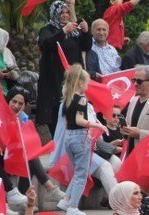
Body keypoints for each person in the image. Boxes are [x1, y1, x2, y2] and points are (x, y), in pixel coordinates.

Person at [59, 65, 110, 215]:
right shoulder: (81, 99)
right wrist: (98, 125)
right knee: (82, 173)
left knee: (78, 171)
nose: (88, 86)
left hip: (69, 137)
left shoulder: (67, 98)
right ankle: (73, 206)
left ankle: (66, 199)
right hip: (80, 137)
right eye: (87, 83)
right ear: (80, 82)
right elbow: (79, 119)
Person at [36, 0, 92, 135]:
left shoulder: (74, 31)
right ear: (55, 13)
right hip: (55, 77)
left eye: (67, 12)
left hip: (73, 77)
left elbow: (85, 46)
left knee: (74, 104)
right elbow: (46, 44)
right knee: (57, 109)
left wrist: (85, 32)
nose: (65, 15)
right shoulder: (47, 29)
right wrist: (62, 31)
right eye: (62, 13)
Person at [5, 87, 66, 200]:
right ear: (8, 101)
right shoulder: (2, 118)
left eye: (20, 103)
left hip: (21, 155)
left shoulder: (25, 121)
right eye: (14, 101)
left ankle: (25, 197)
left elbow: (30, 142)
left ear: (24, 106)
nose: (16, 106)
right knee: (30, 156)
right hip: (5, 155)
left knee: (30, 156)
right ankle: (50, 188)